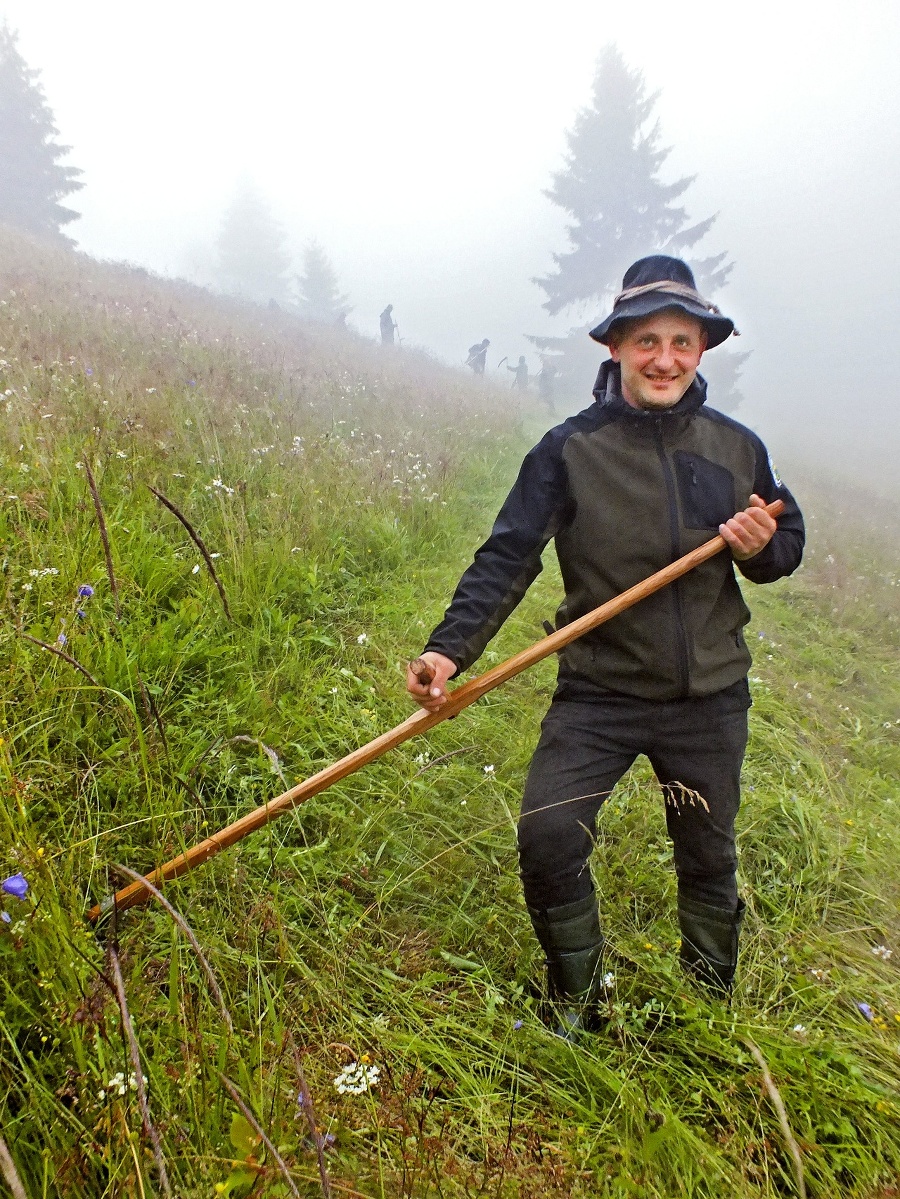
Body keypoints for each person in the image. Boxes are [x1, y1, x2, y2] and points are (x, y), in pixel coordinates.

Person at [407, 256, 804, 1032]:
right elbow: (508, 555)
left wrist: (760, 545)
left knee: (707, 853)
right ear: (616, 346)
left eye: (682, 341)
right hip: (599, 693)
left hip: (708, 697)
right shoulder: (568, 449)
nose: (665, 358)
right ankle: (577, 1005)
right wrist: (449, 651)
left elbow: (783, 546)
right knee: (550, 835)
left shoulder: (736, 447)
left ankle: (708, 1011)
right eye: (647, 339)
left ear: (701, 350)